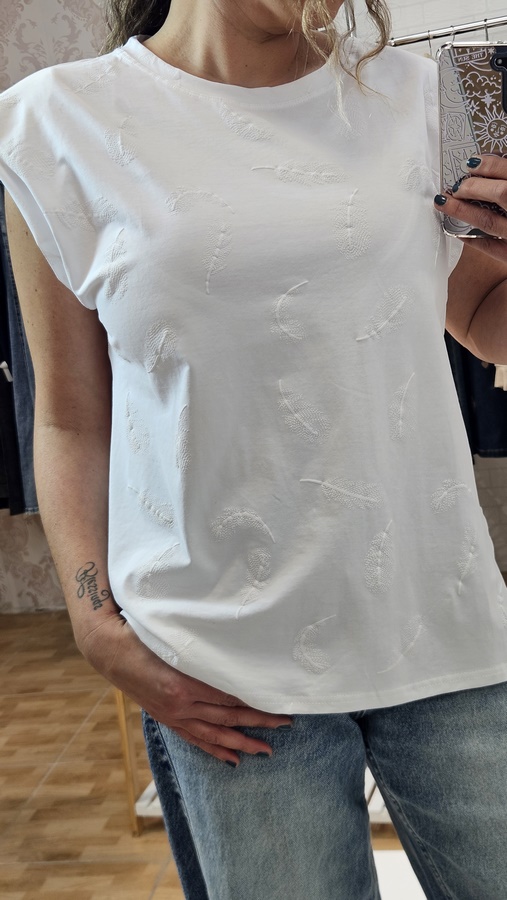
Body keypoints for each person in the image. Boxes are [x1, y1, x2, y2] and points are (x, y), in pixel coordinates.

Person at [2, 1, 507, 896]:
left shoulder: (432, 98)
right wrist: (93, 623)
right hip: (221, 670)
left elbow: (481, 317)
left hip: (443, 627)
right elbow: (72, 416)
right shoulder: (55, 123)